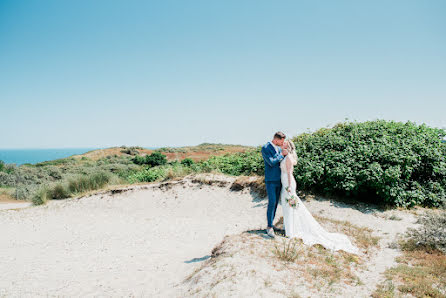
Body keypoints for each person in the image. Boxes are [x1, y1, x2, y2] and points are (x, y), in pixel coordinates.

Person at [280, 139, 359, 254]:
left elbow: (289, 173)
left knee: (291, 205)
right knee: (290, 205)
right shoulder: (287, 156)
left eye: (284, 146)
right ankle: (289, 227)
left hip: (288, 183)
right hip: (286, 183)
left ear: (289, 148)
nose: (282, 147)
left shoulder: (288, 158)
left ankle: (291, 230)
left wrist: (289, 187)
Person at [261, 132, 288, 238]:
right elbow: (271, 162)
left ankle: (272, 224)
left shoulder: (278, 148)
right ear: (276, 140)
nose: (282, 144)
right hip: (271, 180)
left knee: (276, 203)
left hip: (279, 180)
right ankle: (269, 227)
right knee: (271, 202)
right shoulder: (266, 147)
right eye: (281, 141)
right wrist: (281, 155)